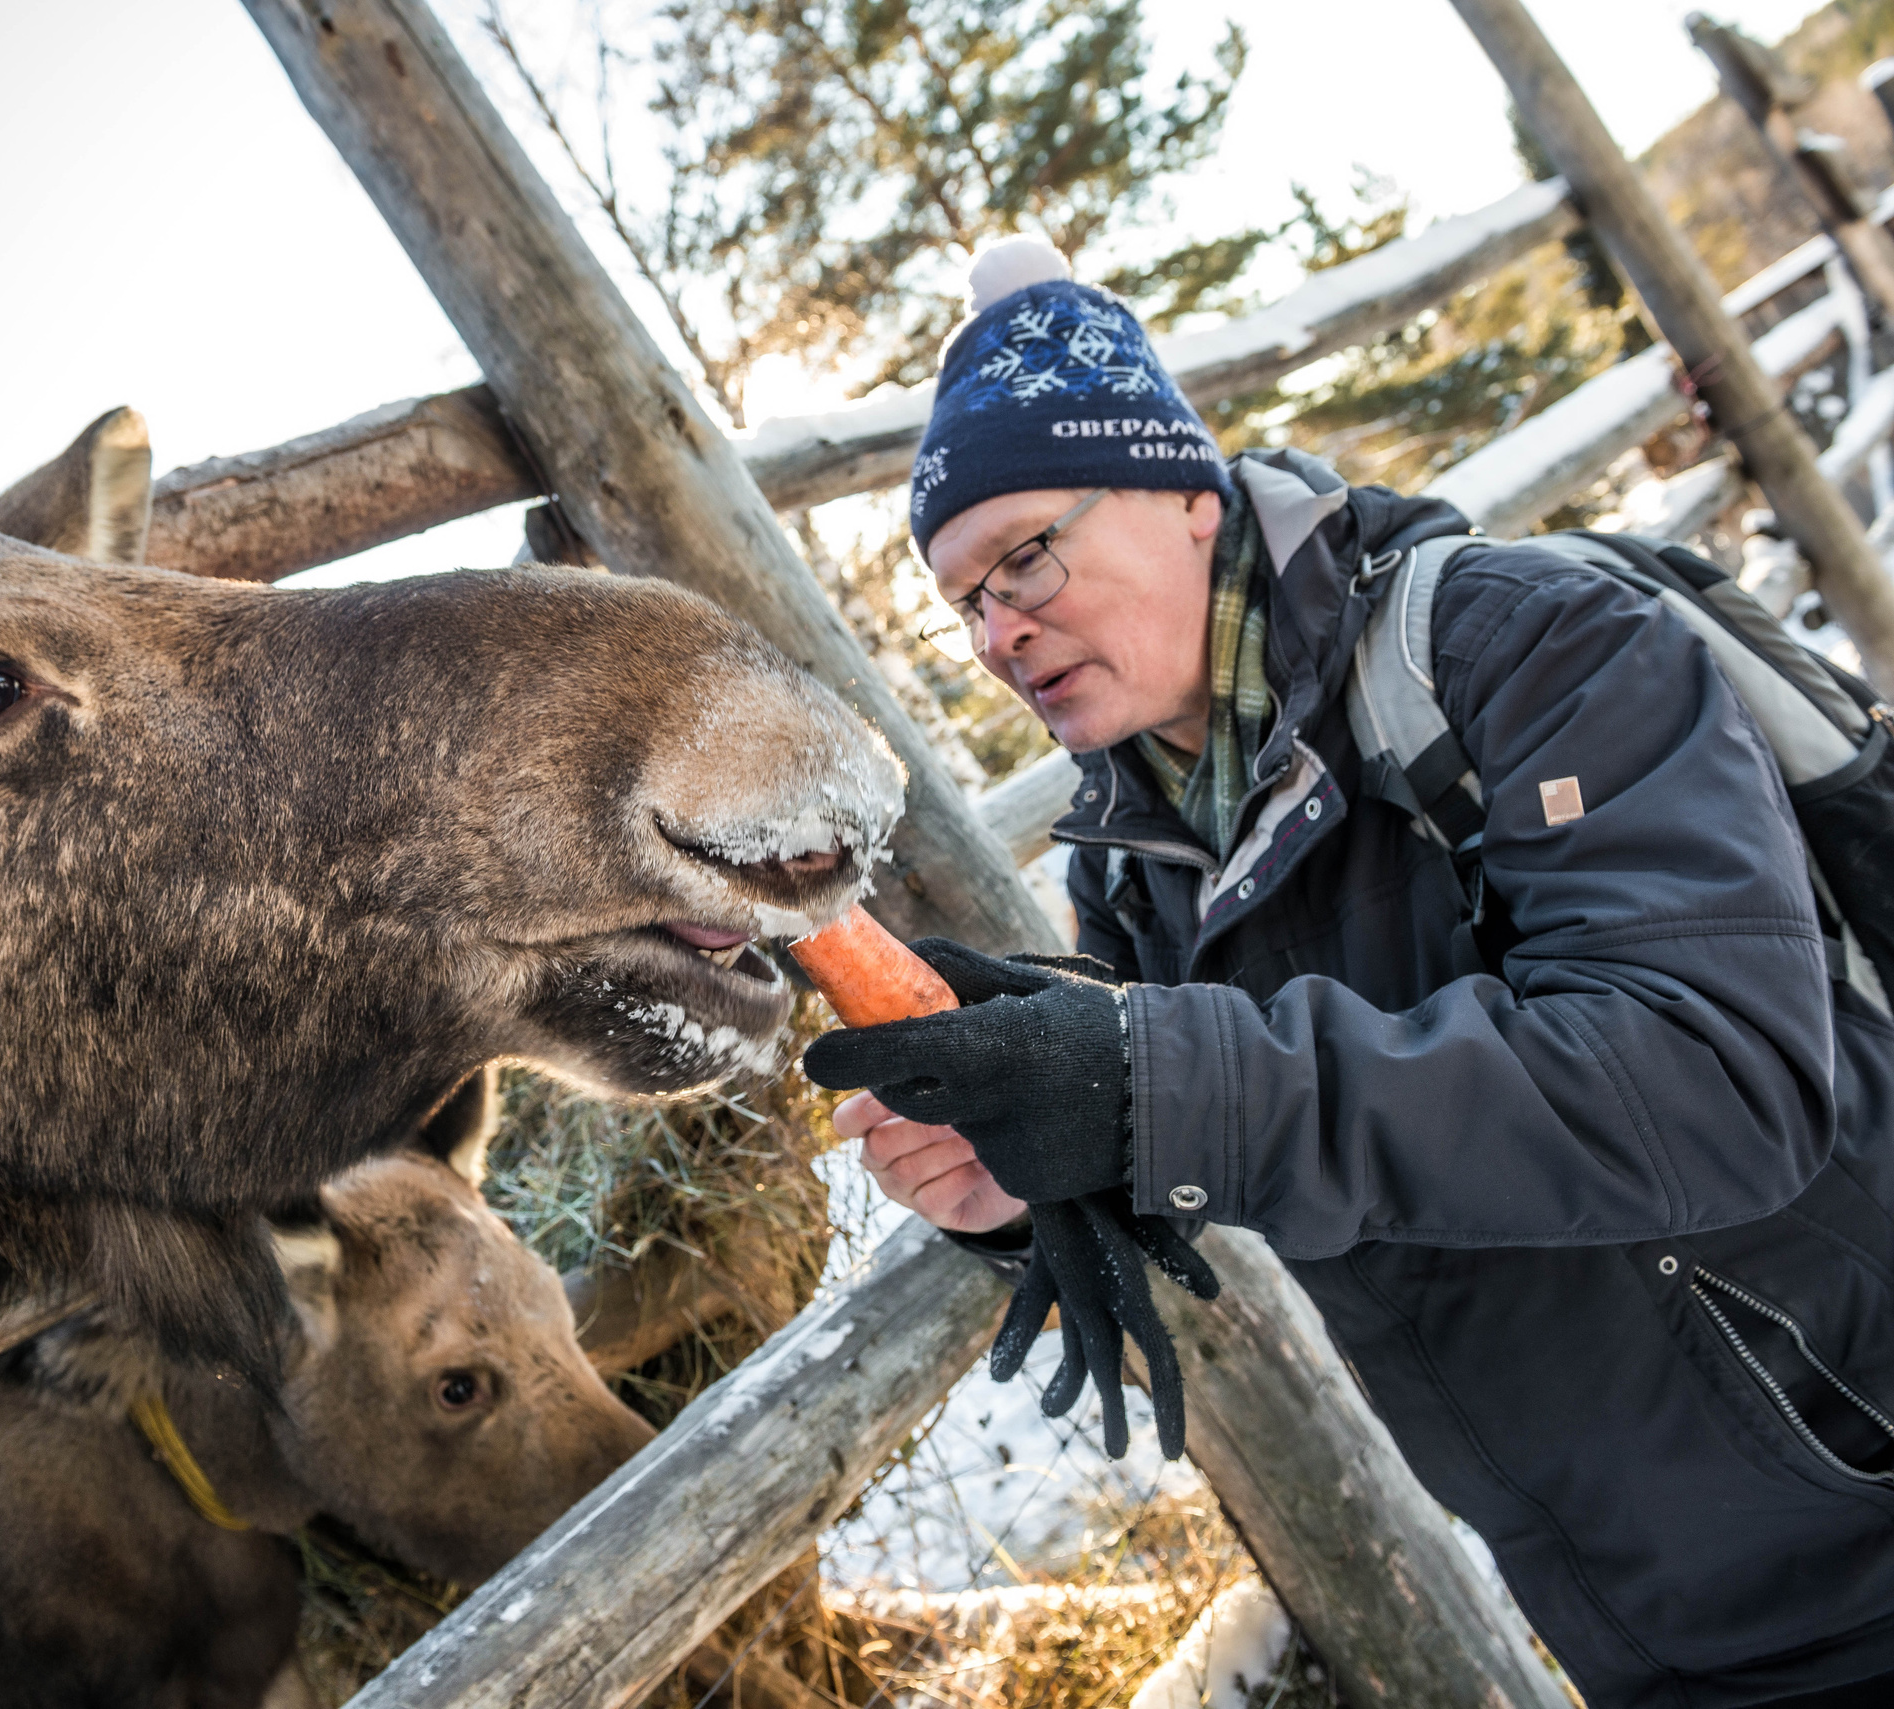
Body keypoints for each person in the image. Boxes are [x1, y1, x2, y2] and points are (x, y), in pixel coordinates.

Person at [802, 237, 1894, 1709]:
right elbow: (1230, 1156)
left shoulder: (1528, 648)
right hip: (1654, 1627)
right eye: (965, 603)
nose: (1000, 629)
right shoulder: (1129, 867)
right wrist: (1026, 1171)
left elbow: (1715, 1074)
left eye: (1028, 555)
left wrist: (1146, 1079)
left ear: (1187, 496)